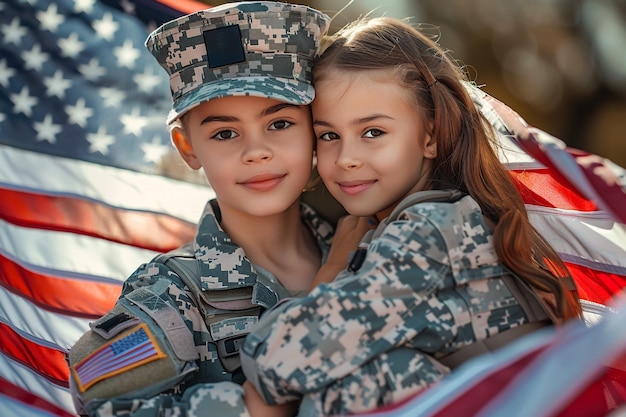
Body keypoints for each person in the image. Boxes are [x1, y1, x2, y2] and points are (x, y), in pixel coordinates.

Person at [239, 16, 583, 416]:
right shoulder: (443, 217)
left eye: (373, 132)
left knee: (350, 388)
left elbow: (277, 363)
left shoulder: (431, 233)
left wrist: (328, 273)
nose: (346, 158)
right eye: (329, 136)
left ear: (431, 136)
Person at [67, 2, 335, 416]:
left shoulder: (367, 245)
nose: (257, 152)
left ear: (315, 128)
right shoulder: (169, 293)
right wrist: (254, 408)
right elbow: (106, 408)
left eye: (279, 123)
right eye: (225, 133)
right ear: (188, 148)